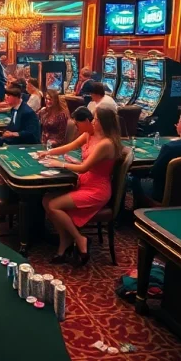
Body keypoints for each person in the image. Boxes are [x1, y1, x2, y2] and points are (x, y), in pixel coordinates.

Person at [39, 107, 123, 267]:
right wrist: (48, 153)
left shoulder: (106, 143)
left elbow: (84, 167)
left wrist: (61, 164)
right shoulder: (89, 135)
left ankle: (79, 238)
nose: (92, 121)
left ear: (103, 122)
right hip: (84, 182)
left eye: (96, 119)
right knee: (46, 199)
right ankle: (66, 242)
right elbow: (68, 147)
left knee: (54, 205)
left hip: (97, 189)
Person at [0, 87, 40, 184]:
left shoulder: (27, 112)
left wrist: (13, 134)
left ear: (17, 97)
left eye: (9, 96)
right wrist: (5, 131)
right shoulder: (14, 108)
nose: (6, 98)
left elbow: (32, 132)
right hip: (15, 138)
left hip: (26, 141)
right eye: (6, 96)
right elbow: (13, 125)